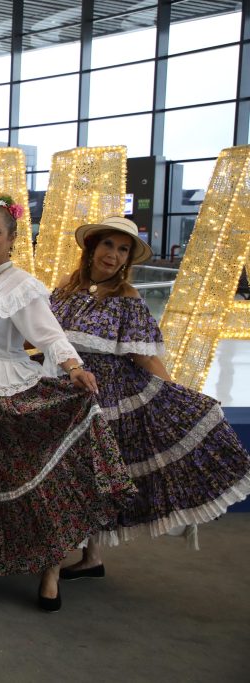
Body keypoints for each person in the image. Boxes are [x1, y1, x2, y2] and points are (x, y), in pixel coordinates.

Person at [0, 196, 134, 612]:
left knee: (33, 489)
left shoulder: (23, 285)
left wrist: (73, 367)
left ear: (12, 239)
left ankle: (50, 568)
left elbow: (48, 335)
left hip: (6, 389)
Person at [48, 217, 250, 580]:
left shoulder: (127, 298)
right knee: (69, 472)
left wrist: (175, 390)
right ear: (92, 247)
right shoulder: (65, 289)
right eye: (108, 245)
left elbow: (143, 355)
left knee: (97, 474)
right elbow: (45, 335)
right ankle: (71, 551)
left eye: (122, 249)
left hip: (105, 396)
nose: (113, 255)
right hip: (64, 389)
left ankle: (89, 555)